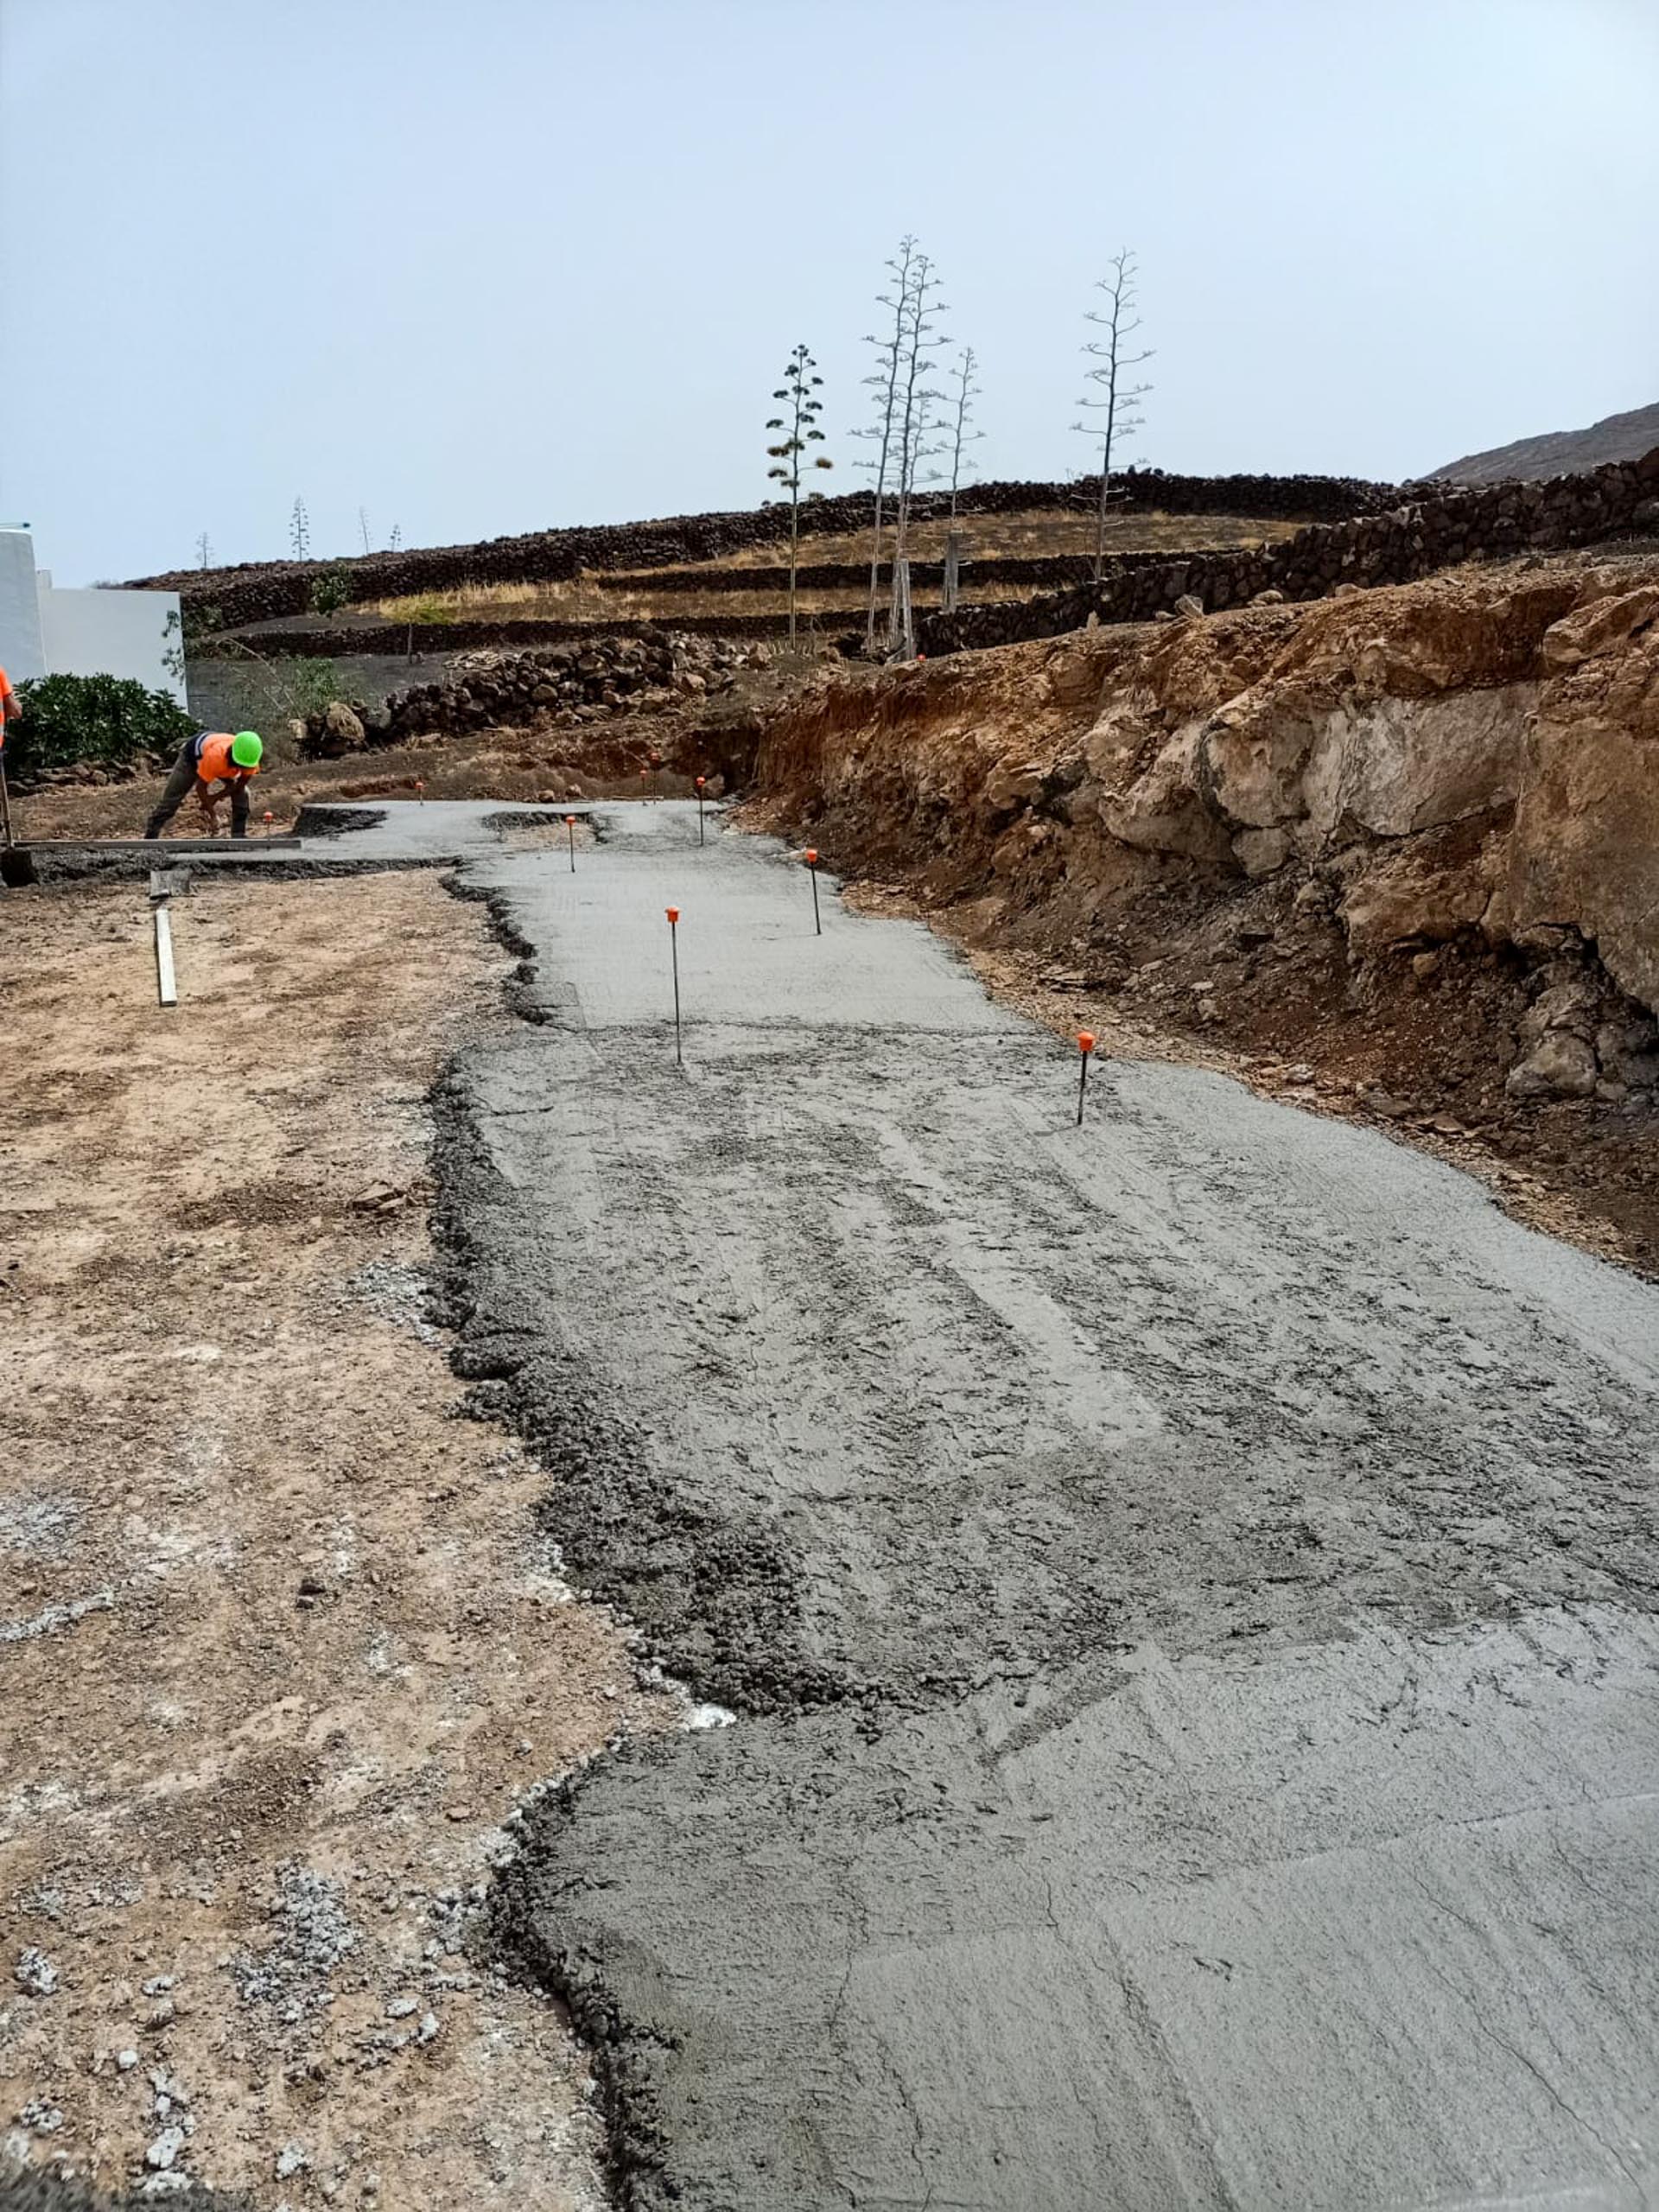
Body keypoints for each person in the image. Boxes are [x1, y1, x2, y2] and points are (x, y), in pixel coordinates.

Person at [144, 729, 263, 841]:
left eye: (244, 767)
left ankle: (238, 836)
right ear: (232, 754)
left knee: (243, 793)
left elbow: (241, 784)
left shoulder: (250, 759)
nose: (242, 769)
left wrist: (215, 797)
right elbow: (201, 788)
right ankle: (150, 838)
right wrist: (213, 815)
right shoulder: (216, 757)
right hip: (191, 760)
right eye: (240, 765)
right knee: (171, 800)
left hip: (218, 759)